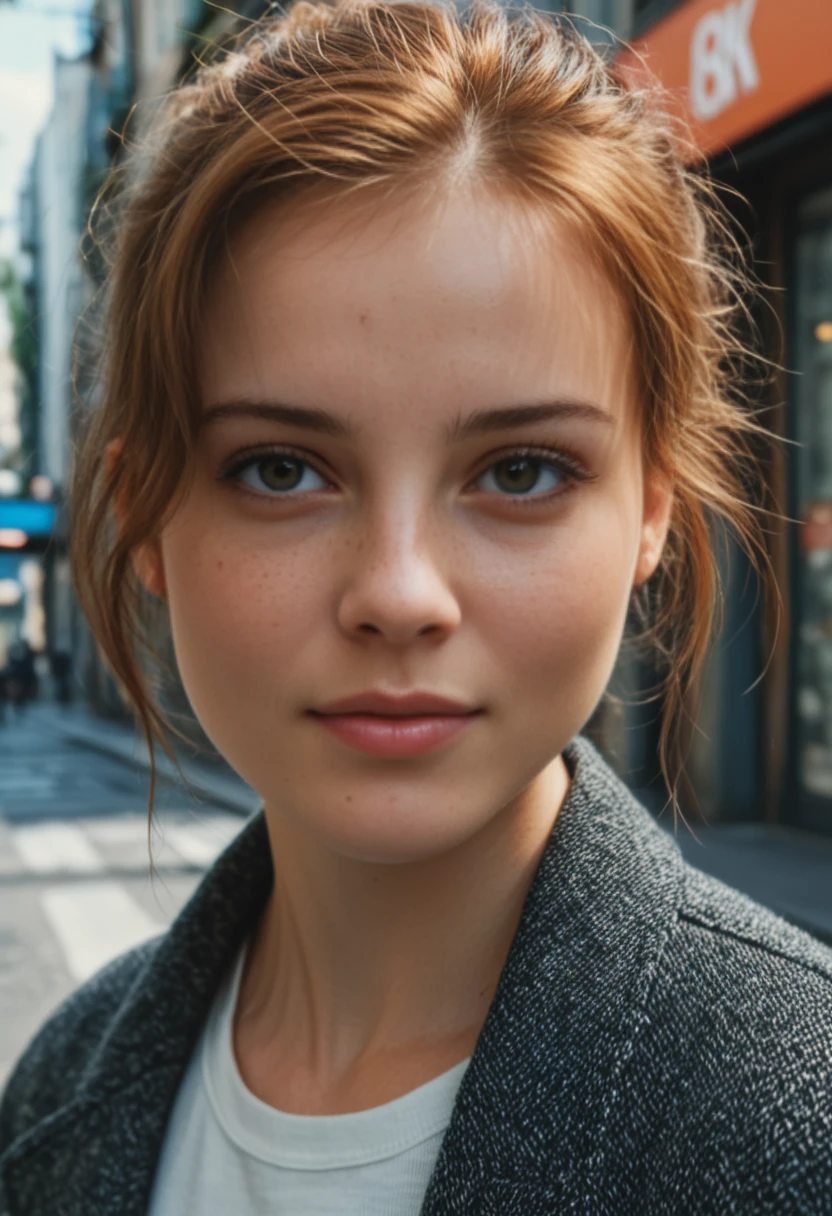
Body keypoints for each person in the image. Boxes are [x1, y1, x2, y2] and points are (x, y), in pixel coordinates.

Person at [1, 0, 830, 1211]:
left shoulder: (791, 1132)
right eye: (279, 468)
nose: (398, 593)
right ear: (145, 516)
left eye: (520, 471)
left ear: (651, 510)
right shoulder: (60, 1091)